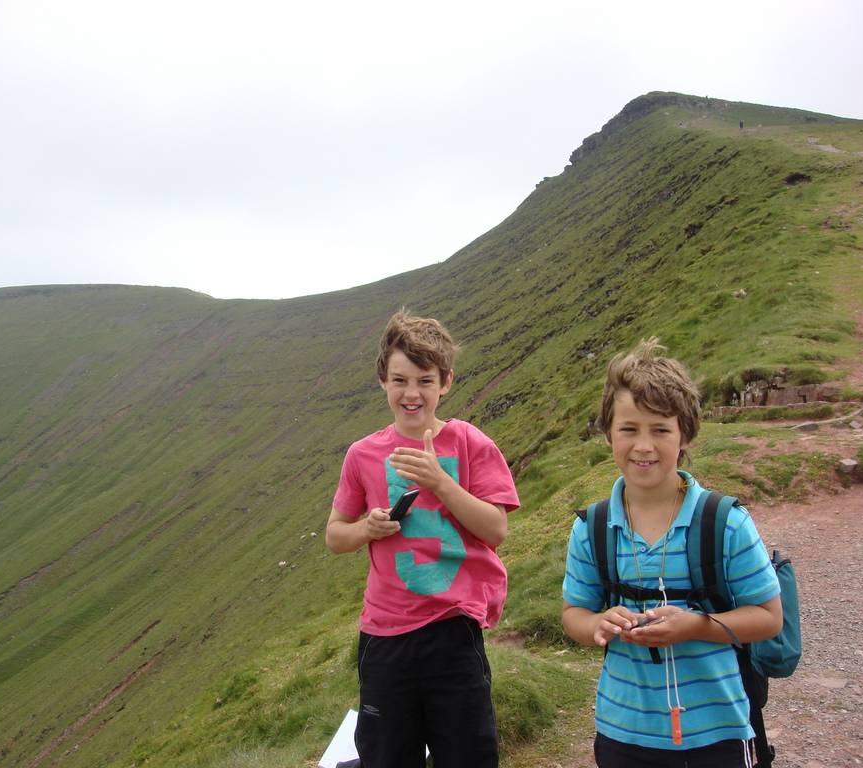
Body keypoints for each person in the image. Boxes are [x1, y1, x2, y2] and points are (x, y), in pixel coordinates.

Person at [562, 339, 783, 768]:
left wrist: (694, 625)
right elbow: (574, 615)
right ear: (609, 433)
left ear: (685, 434)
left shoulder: (725, 523)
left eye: (660, 429)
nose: (643, 445)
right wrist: (598, 624)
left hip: (717, 735)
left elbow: (769, 618)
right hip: (622, 733)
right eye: (629, 429)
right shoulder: (590, 528)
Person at [326, 309, 520, 768]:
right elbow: (336, 536)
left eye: (425, 381)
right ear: (382, 381)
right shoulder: (362, 454)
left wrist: (440, 483)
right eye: (400, 380)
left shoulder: (470, 442)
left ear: (446, 382)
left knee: (468, 755)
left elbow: (496, 530)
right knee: (387, 757)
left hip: (453, 629)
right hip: (384, 634)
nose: (412, 394)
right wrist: (366, 529)